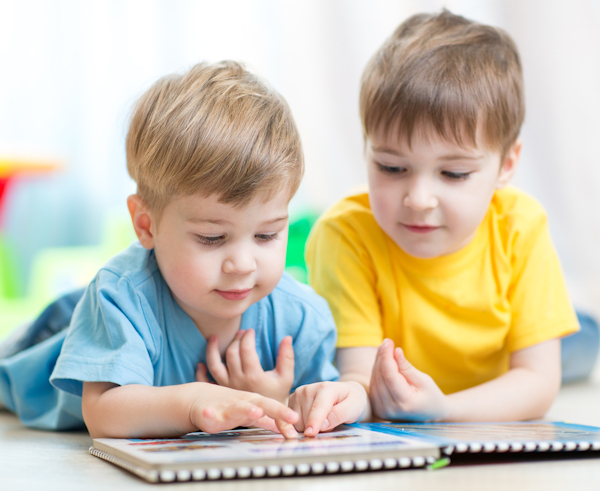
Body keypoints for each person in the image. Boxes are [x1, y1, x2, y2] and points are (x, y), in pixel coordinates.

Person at [0, 61, 367, 438]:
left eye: (266, 236)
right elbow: (103, 412)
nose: (242, 265)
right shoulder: (121, 297)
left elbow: (322, 409)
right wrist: (195, 404)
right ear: (146, 225)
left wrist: (277, 400)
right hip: (51, 343)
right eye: (212, 238)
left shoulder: (301, 318)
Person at [305, 10, 597, 425]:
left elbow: (536, 382)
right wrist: (349, 398)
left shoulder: (521, 224)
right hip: (448, 369)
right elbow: (359, 377)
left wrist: (445, 409)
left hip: (507, 358)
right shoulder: (344, 234)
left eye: (453, 174)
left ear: (507, 164)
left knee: (580, 344)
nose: (419, 199)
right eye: (391, 167)